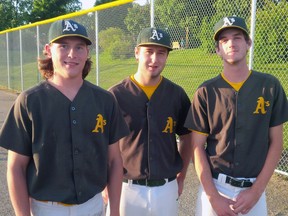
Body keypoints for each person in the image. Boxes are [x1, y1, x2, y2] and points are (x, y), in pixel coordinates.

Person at [0, 19, 129, 216]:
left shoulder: (104, 100)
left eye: (79, 47)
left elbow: (114, 161)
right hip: (46, 208)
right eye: (63, 46)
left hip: (93, 205)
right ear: (48, 50)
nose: (72, 54)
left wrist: (116, 211)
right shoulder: (29, 101)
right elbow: (16, 167)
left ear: (87, 52)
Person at [184, 16, 288, 216]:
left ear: (248, 43)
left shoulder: (270, 86)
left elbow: (276, 142)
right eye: (224, 40)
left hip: (253, 188)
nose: (231, 43)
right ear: (217, 49)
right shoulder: (206, 91)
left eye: (237, 37)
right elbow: (197, 146)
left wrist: (256, 191)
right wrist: (213, 196)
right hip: (215, 185)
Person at [106, 27, 192, 216]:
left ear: (167, 56)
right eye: (149, 52)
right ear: (137, 53)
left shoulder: (176, 94)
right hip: (126, 188)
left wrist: (182, 176)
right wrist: (106, 183)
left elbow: (187, 137)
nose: (154, 59)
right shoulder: (115, 95)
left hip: (166, 188)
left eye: (161, 53)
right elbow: (101, 143)